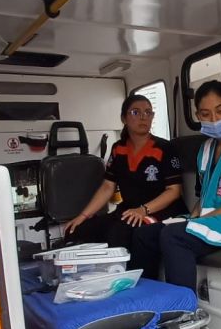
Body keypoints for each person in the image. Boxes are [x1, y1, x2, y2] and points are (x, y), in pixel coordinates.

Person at [132, 80, 221, 289]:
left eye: (220, 111)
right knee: (144, 234)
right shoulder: (206, 149)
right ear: (198, 116)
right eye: (206, 114)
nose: (214, 119)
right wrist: (192, 218)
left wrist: (197, 222)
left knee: (174, 236)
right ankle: (148, 298)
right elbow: (203, 199)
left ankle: (182, 307)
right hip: (217, 219)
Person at [65, 94, 186, 249]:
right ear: (124, 118)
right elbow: (107, 187)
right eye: (136, 112)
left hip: (161, 211)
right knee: (76, 230)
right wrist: (83, 216)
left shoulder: (165, 148)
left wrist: (143, 210)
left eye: (148, 112)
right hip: (129, 211)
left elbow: (174, 191)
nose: (143, 117)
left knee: (117, 234)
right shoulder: (118, 149)